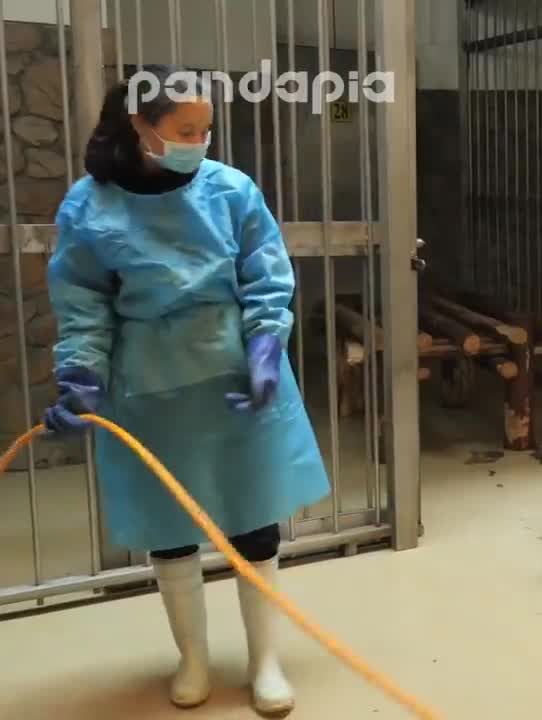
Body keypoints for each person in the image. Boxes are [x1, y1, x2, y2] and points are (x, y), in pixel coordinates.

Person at [42, 65, 331, 715]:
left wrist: (264, 345)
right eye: (185, 129)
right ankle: (194, 661)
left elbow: (266, 275)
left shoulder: (230, 190)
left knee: (254, 521)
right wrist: (82, 376)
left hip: (237, 376)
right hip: (151, 385)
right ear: (139, 126)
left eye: (207, 129)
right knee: (170, 528)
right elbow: (82, 301)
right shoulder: (90, 205)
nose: (200, 141)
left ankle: (265, 663)